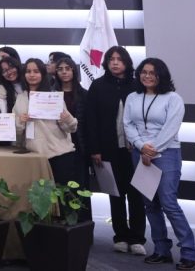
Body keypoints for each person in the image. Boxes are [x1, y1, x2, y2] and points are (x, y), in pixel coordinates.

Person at [124, 58, 195, 270]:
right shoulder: (132, 97)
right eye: (144, 72)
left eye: (153, 73)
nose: (147, 76)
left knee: (169, 204)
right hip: (139, 153)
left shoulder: (173, 98)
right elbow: (128, 124)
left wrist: (152, 150)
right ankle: (161, 250)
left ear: (161, 76)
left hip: (166, 153)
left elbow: (171, 128)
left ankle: (190, 253)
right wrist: (140, 146)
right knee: (150, 204)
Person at [84, 46, 146, 255]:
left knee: (137, 195)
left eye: (119, 59)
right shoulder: (98, 86)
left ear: (127, 62)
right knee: (115, 194)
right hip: (108, 149)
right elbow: (90, 120)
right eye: (111, 59)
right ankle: (120, 236)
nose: (115, 63)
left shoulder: (138, 85)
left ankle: (137, 238)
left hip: (135, 151)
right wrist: (95, 149)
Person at [14, 59, 79, 185]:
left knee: (62, 200)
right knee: (39, 199)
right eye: (28, 71)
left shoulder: (53, 96)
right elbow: (16, 131)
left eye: (36, 71)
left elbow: (71, 128)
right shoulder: (20, 98)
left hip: (59, 154)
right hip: (33, 156)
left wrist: (67, 119)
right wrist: (20, 121)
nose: (32, 75)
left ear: (43, 74)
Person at [54, 55, 91, 220]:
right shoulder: (50, 94)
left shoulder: (84, 94)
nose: (64, 72)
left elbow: (91, 122)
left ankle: (82, 225)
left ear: (74, 71)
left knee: (80, 187)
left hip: (79, 146)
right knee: (61, 187)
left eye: (67, 69)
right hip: (57, 146)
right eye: (60, 69)